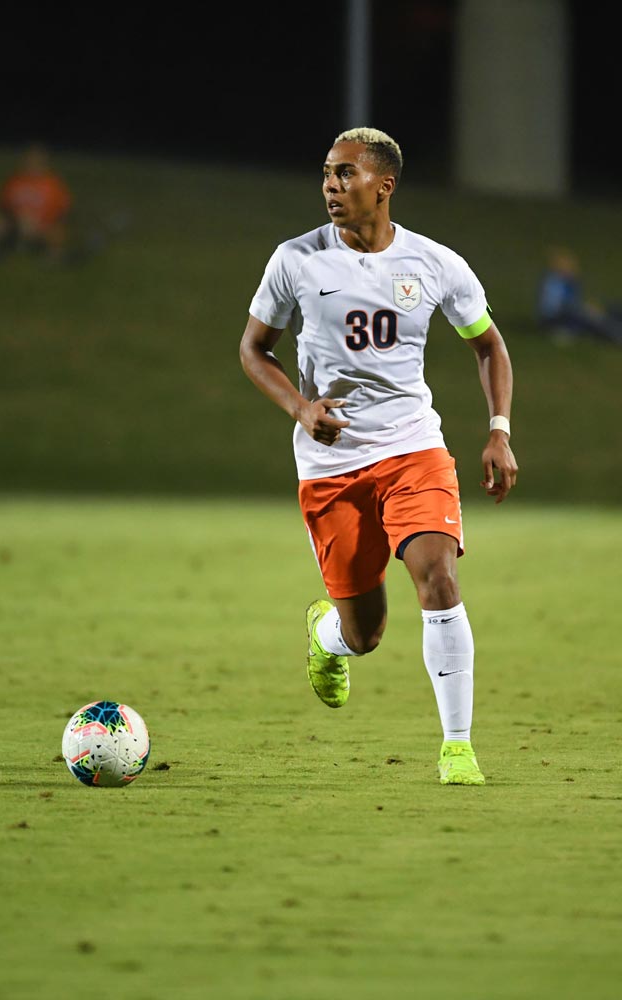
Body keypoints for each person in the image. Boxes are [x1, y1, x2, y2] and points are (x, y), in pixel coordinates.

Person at [238, 127, 517, 786]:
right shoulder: (296, 261)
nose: (332, 186)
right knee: (365, 634)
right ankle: (328, 635)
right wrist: (301, 410)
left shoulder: (433, 263)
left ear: (383, 185)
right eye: (327, 175)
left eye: (345, 174)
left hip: (413, 448)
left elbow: (489, 346)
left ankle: (457, 748)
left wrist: (499, 429)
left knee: (438, 579)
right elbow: (254, 349)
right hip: (330, 467)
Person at [0, 144, 72, 260]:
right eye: (29, 160)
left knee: (57, 232)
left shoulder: (53, 184)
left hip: (42, 227)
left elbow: (63, 213)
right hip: (13, 225)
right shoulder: (14, 181)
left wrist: (41, 223)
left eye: (36, 161)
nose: (32, 164)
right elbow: (2, 206)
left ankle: (48, 253)